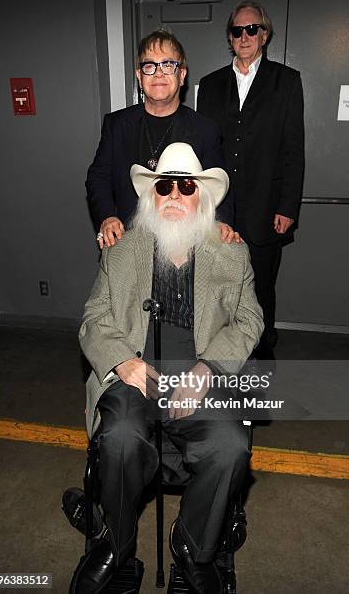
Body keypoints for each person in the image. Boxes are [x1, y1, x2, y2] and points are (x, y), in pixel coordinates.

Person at [70, 142, 263, 594]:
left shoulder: (231, 254)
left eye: (186, 186)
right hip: (135, 375)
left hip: (201, 375)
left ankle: (192, 546)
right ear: (151, 196)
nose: (174, 195)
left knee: (230, 444)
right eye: (164, 186)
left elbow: (251, 319)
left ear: (202, 196)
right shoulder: (121, 253)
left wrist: (208, 368)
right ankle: (115, 543)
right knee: (118, 437)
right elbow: (94, 318)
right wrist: (121, 361)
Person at [197, 0, 305, 349]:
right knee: (218, 287)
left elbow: (293, 149)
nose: (244, 36)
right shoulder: (210, 84)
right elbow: (203, 150)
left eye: (251, 29)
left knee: (260, 288)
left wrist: (288, 207)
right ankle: (218, 352)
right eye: (236, 30)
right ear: (230, 37)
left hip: (266, 210)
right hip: (219, 211)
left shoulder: (286, 82)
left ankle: (261, 349)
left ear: (265, 34)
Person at [86, 29, 238, 249]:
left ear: (182, 75)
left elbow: (220, 188)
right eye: (150, 66)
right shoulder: (116, 125)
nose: (158, 73)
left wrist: (220, 224)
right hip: (127, 245)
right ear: (139, 76)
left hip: (186, 247)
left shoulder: (205, 130)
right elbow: (98, 177)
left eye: (168, 65)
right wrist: (107, 217)